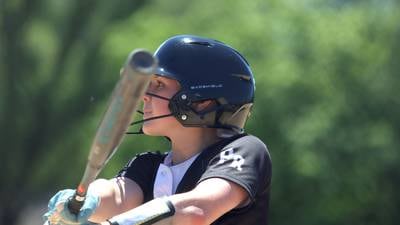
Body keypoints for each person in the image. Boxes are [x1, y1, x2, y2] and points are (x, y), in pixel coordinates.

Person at [43, 34, 272, 225]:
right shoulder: (148, 165)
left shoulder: (244, 150)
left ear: (203, 100)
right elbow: (118, 196)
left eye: (159, 84)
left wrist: (120, 223)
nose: (144, 95)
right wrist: (84, 200)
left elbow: (197, 211)